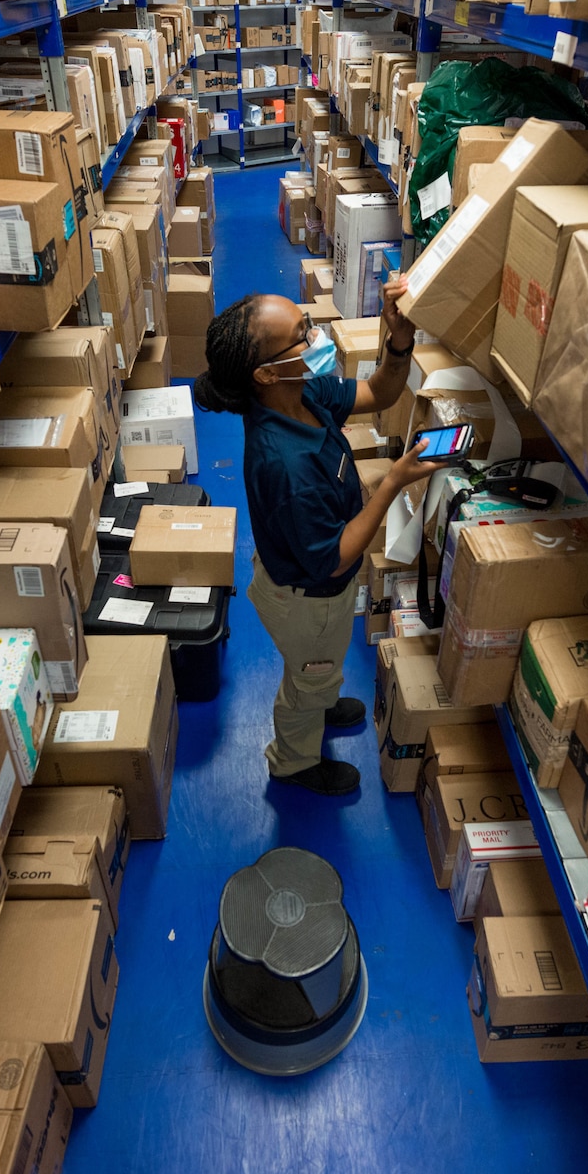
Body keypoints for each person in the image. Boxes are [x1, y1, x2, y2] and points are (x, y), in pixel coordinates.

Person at [192, 278, 445, 795]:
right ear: (265, 372)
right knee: (306, 682)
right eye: (303, 335)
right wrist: (392, 481)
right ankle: (293, 761)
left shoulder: (299, 392)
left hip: (304, 578)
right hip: (309, 600)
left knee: (319, 671)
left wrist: (398, 344)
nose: (317, 339)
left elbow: (379, 392)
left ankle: (323, 694)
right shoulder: (285, 464)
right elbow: (332, 560)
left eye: (308, 325)